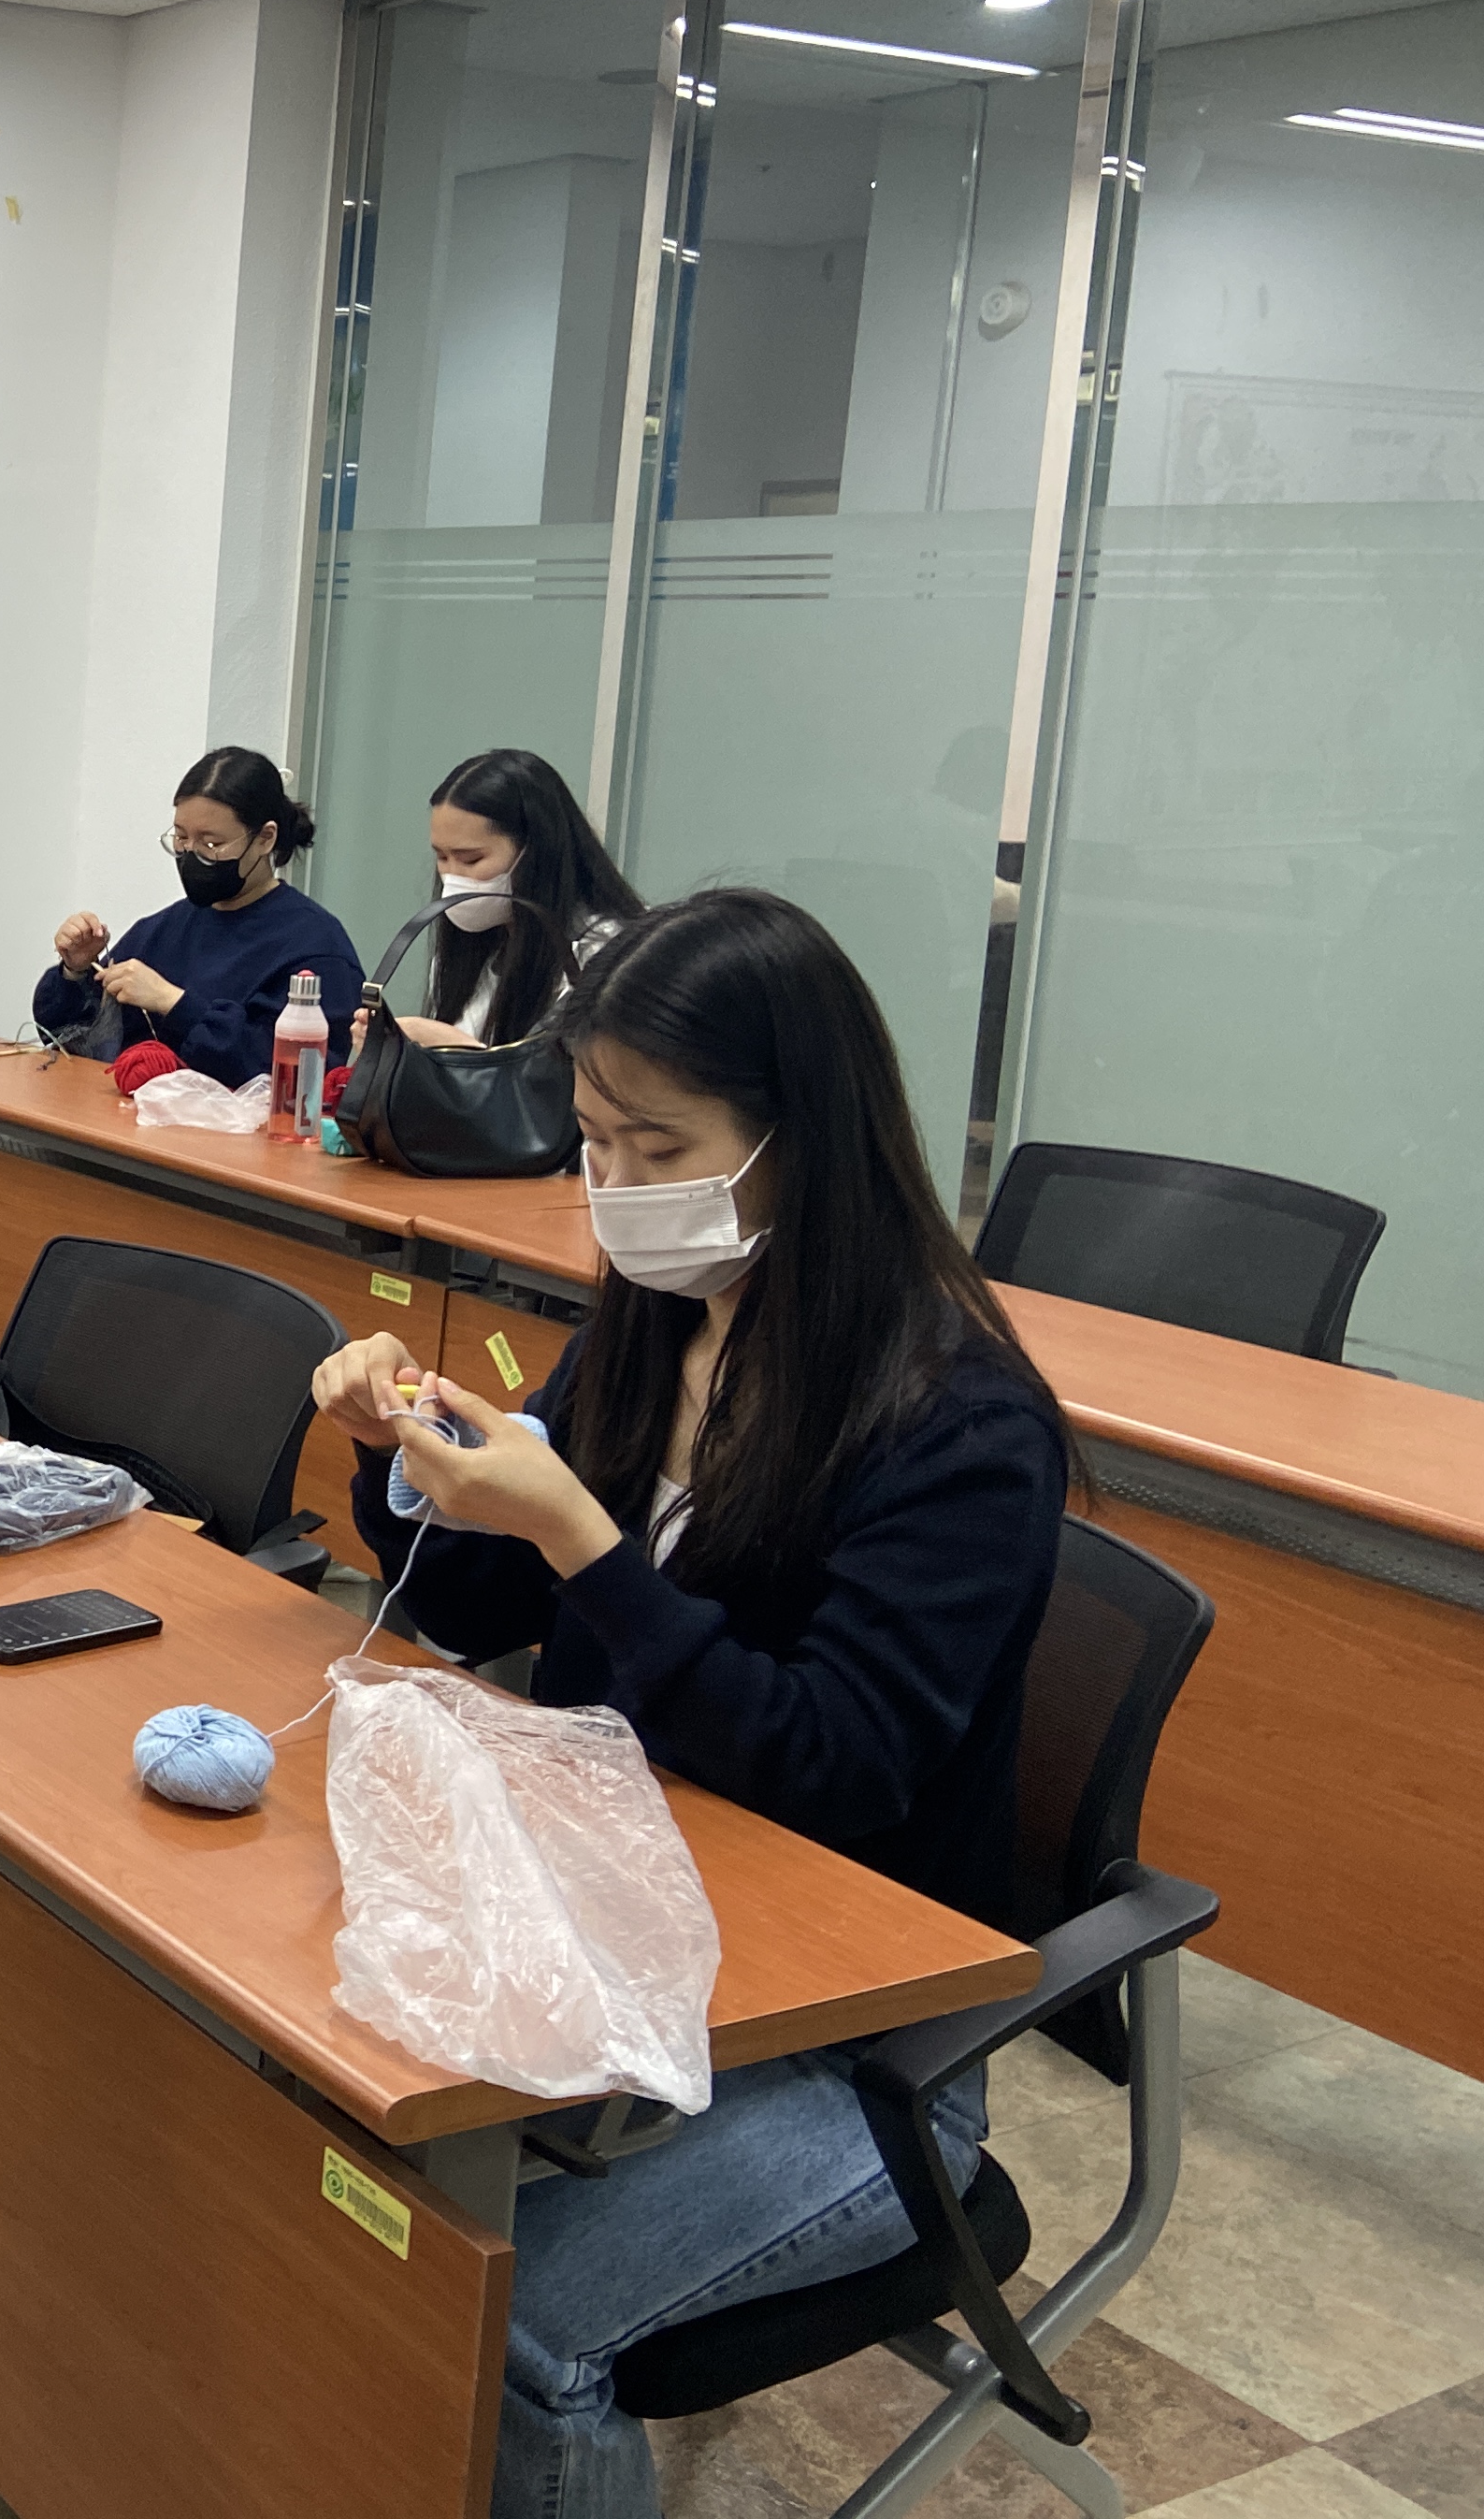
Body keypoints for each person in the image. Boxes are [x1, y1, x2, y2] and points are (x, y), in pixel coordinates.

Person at [306, 887, 1073, 2519]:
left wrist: (585, 1539)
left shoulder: (959, 1423)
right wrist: (404, 1471)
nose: (618, 1184)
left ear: (807, 1138)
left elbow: (831, 1764)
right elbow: (481, 1613)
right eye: (595, 1138)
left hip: (849, 2046)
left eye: (659, 1146)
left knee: (514, 2321)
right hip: (618, 1923)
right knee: (286, 2106)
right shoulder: (655, 1320)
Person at [36, 746, 364, 1081]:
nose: (191, 854)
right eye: (181, 838)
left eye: (211, 844)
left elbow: (296, 1077)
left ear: (265, 839)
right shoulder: (162, 930)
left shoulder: (315, 948)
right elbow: (70, 1039)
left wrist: (174, 1004)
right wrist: (75, 973)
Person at [382, 746, 646, 1050]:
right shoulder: (469, 949)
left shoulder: (609, 954)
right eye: (442, 857)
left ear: (535, 853)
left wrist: (459, 1051)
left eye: (470, 859)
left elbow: (579, 1074)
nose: (452, 877)